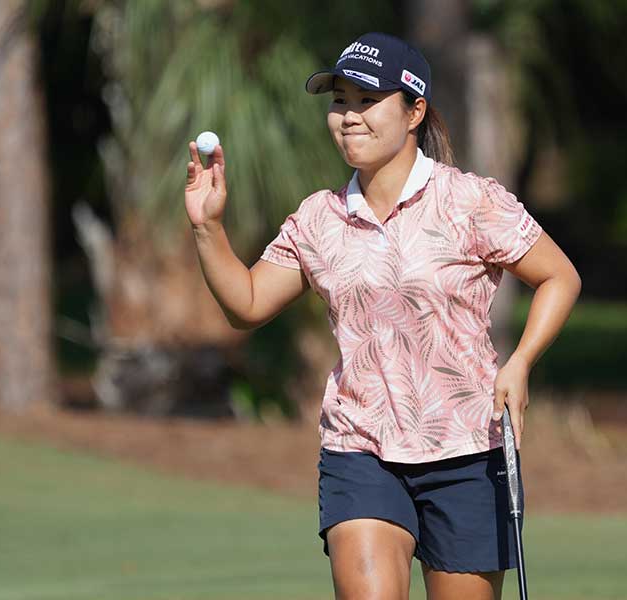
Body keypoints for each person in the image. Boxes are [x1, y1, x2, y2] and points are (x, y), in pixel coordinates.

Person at [185, 31, 580, 600]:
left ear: (414, 109)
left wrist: (520, 364)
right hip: (360, 449)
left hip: (466, 448)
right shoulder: (318, 219)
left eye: (367, 101)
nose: (348, 117)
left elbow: (559, 276)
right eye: (339, 101)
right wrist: (207, 227)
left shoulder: (469, 201)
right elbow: (246, 303)